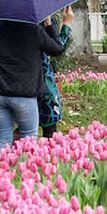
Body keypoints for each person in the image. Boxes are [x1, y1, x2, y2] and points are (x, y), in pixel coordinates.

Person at [0, 7, 74, 156]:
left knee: (3, 140)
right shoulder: (33, 29)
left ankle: (2, 176)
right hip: (24, 95)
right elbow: (57, 49)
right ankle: (24, 177)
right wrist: (50, 25)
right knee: (28, 141)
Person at [39, 7, 74, 138]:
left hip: (19, 83)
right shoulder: (39, 23)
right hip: (43, 83)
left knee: (24, 130)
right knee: (49, 130)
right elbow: (57, 48)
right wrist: (66, 24)